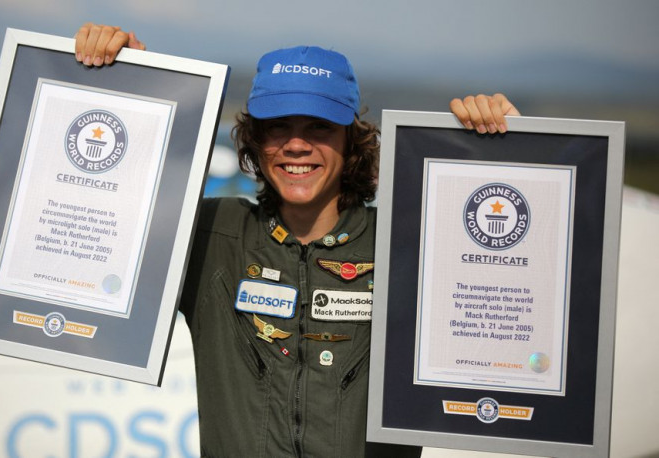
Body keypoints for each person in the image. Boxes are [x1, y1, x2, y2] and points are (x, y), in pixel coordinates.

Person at [75, 23, 520, 457]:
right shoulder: (211, 233)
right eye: (278, 126)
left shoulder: (408, 246)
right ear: (255, 139)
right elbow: (106, 227)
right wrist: (127, 85)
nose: (296, 145)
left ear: (352, 139)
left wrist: (516, 150)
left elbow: (510, 305)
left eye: (319, 127)